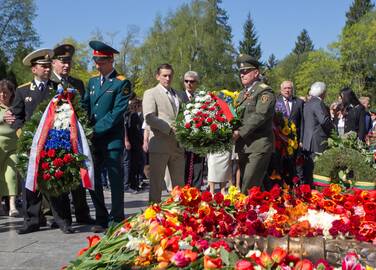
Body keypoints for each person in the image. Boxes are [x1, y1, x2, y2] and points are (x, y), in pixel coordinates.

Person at [5, 49, 74, 234]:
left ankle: (63, 220)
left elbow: (66, 112)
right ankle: (32, 220)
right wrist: (22, 132)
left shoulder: (57, 88)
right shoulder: (23, 90)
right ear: (33, 69)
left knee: (57, 182)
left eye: (48, 65)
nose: (46, 69)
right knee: (30, 184)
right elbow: (16, 115)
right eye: (42, 66)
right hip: (31, 144)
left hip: (54, 142)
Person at [82, 40, 131, 233]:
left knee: (115, 179)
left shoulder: (121, 83)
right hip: (93, 140)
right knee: (93, 180)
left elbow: (116, 113)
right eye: (95, 60)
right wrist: (82, 125)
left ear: (110, 60)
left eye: (101, 61)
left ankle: (116, 217)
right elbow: (86, 106)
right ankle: (101, 217)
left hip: (111, 139)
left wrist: (94, 130)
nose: (97, 65)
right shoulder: (93, 82)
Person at [51, 43, 94, 225]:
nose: (66, 65)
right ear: (53, 63)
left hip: (76, 136)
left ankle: (82, 214)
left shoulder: (77, 83)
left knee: (78, 175)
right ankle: (63, 218)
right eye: (62, 62)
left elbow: (83, 108)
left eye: (68, 62)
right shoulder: (49, 84)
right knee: (60, 176)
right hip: (56, 137)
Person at [233, 54, 275, 194]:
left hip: (259, 145)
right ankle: (264, 213)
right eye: (240, 72)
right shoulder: (242, 94)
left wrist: (240, 132)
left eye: (246, 71)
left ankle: (246, 214)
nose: (242, 74)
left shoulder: (264, 91)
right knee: (253, 186)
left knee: (249, 185)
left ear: (256, 73)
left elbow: (260, 115)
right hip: (244, 146)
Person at [142, 63, 185, 203]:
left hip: (178, 146)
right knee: (156, 186)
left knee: (179, 187)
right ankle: (153, 218)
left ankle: (179, 215)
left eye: (170, 75)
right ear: (157, 77)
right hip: (159, 144)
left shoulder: (179, 94)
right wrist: (169, 128)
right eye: (164, 75)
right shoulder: (150, 93)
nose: (168, 78)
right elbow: (149, 117)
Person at [301, 82, 334, 185]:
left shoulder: (308, 103)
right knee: (317, 168)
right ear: (323, 92)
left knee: (308, 169)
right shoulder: (318, 103)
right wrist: (333, 132)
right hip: (318, 140)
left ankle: (308, 190)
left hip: (307, 140)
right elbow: (323, 120)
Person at [274, 80, 305, 186]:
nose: (287, 90)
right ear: (281, 89)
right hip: (280, 141)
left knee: (296, 167)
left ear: (292, 89)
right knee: (281, 167)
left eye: (289, 88)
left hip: (295, 141)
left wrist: (301, 140)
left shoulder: (299, 102)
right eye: (285, 88)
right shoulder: (275, 101)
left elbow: (302, 122)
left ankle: (296, 188)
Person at [179, 71, 205, 189]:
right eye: (186, 81)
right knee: (183, 168)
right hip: (183, 140)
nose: (189, 83)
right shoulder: (178, 97)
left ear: (196, 83)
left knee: (198, 167)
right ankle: (184, 193)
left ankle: (196, 192)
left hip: (199, 140)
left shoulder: (202, 98)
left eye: (192, 81)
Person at [0, 80, 19, 217]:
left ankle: (12, 206)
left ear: (12, 93)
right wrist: (2, 118)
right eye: (0, 92)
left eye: (6, 92)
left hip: (13, 146)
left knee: (11, 175)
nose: (2, 95)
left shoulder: (16, 106)